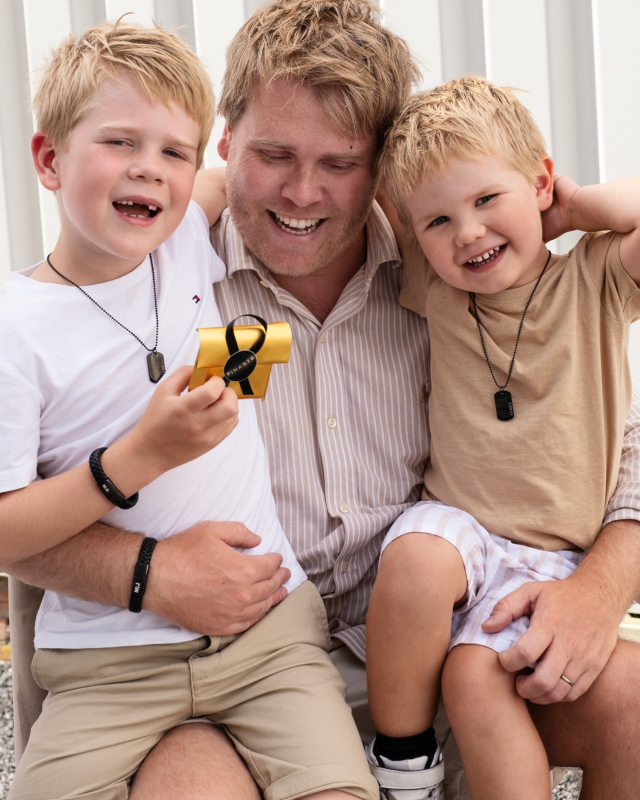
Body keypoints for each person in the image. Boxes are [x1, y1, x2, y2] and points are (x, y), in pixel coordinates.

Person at [7, 3, 640, 799]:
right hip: (247, 659)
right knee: (190, 783)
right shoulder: (160, 276)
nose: (302, 192)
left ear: (379, 167)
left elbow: (616, 437)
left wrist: (600, 589)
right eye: (274, 153)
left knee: (631, 698)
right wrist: (147, 572)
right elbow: (33, 496)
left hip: (437, 654)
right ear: (227, 142)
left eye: (339, 163)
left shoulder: (450, 264)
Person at [0, 19, 379, 800]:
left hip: (270, 638)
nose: (151, 171)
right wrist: (135, 459)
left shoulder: (183, 245)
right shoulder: (15, 329)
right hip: (107, 664)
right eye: (119, 143)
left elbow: (239, 184)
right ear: (47, 159)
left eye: (174, 151)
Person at [364, 75, 640, 799]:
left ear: (540, 180)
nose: (470, 234)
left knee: (481, 675)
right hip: (467, 538)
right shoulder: (436, 286)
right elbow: (370, 196)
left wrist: (575, 207)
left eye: (489, 200)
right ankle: (402, 762)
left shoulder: (597, 277)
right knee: (420, 564)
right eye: (440, 222)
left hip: (563, 557)